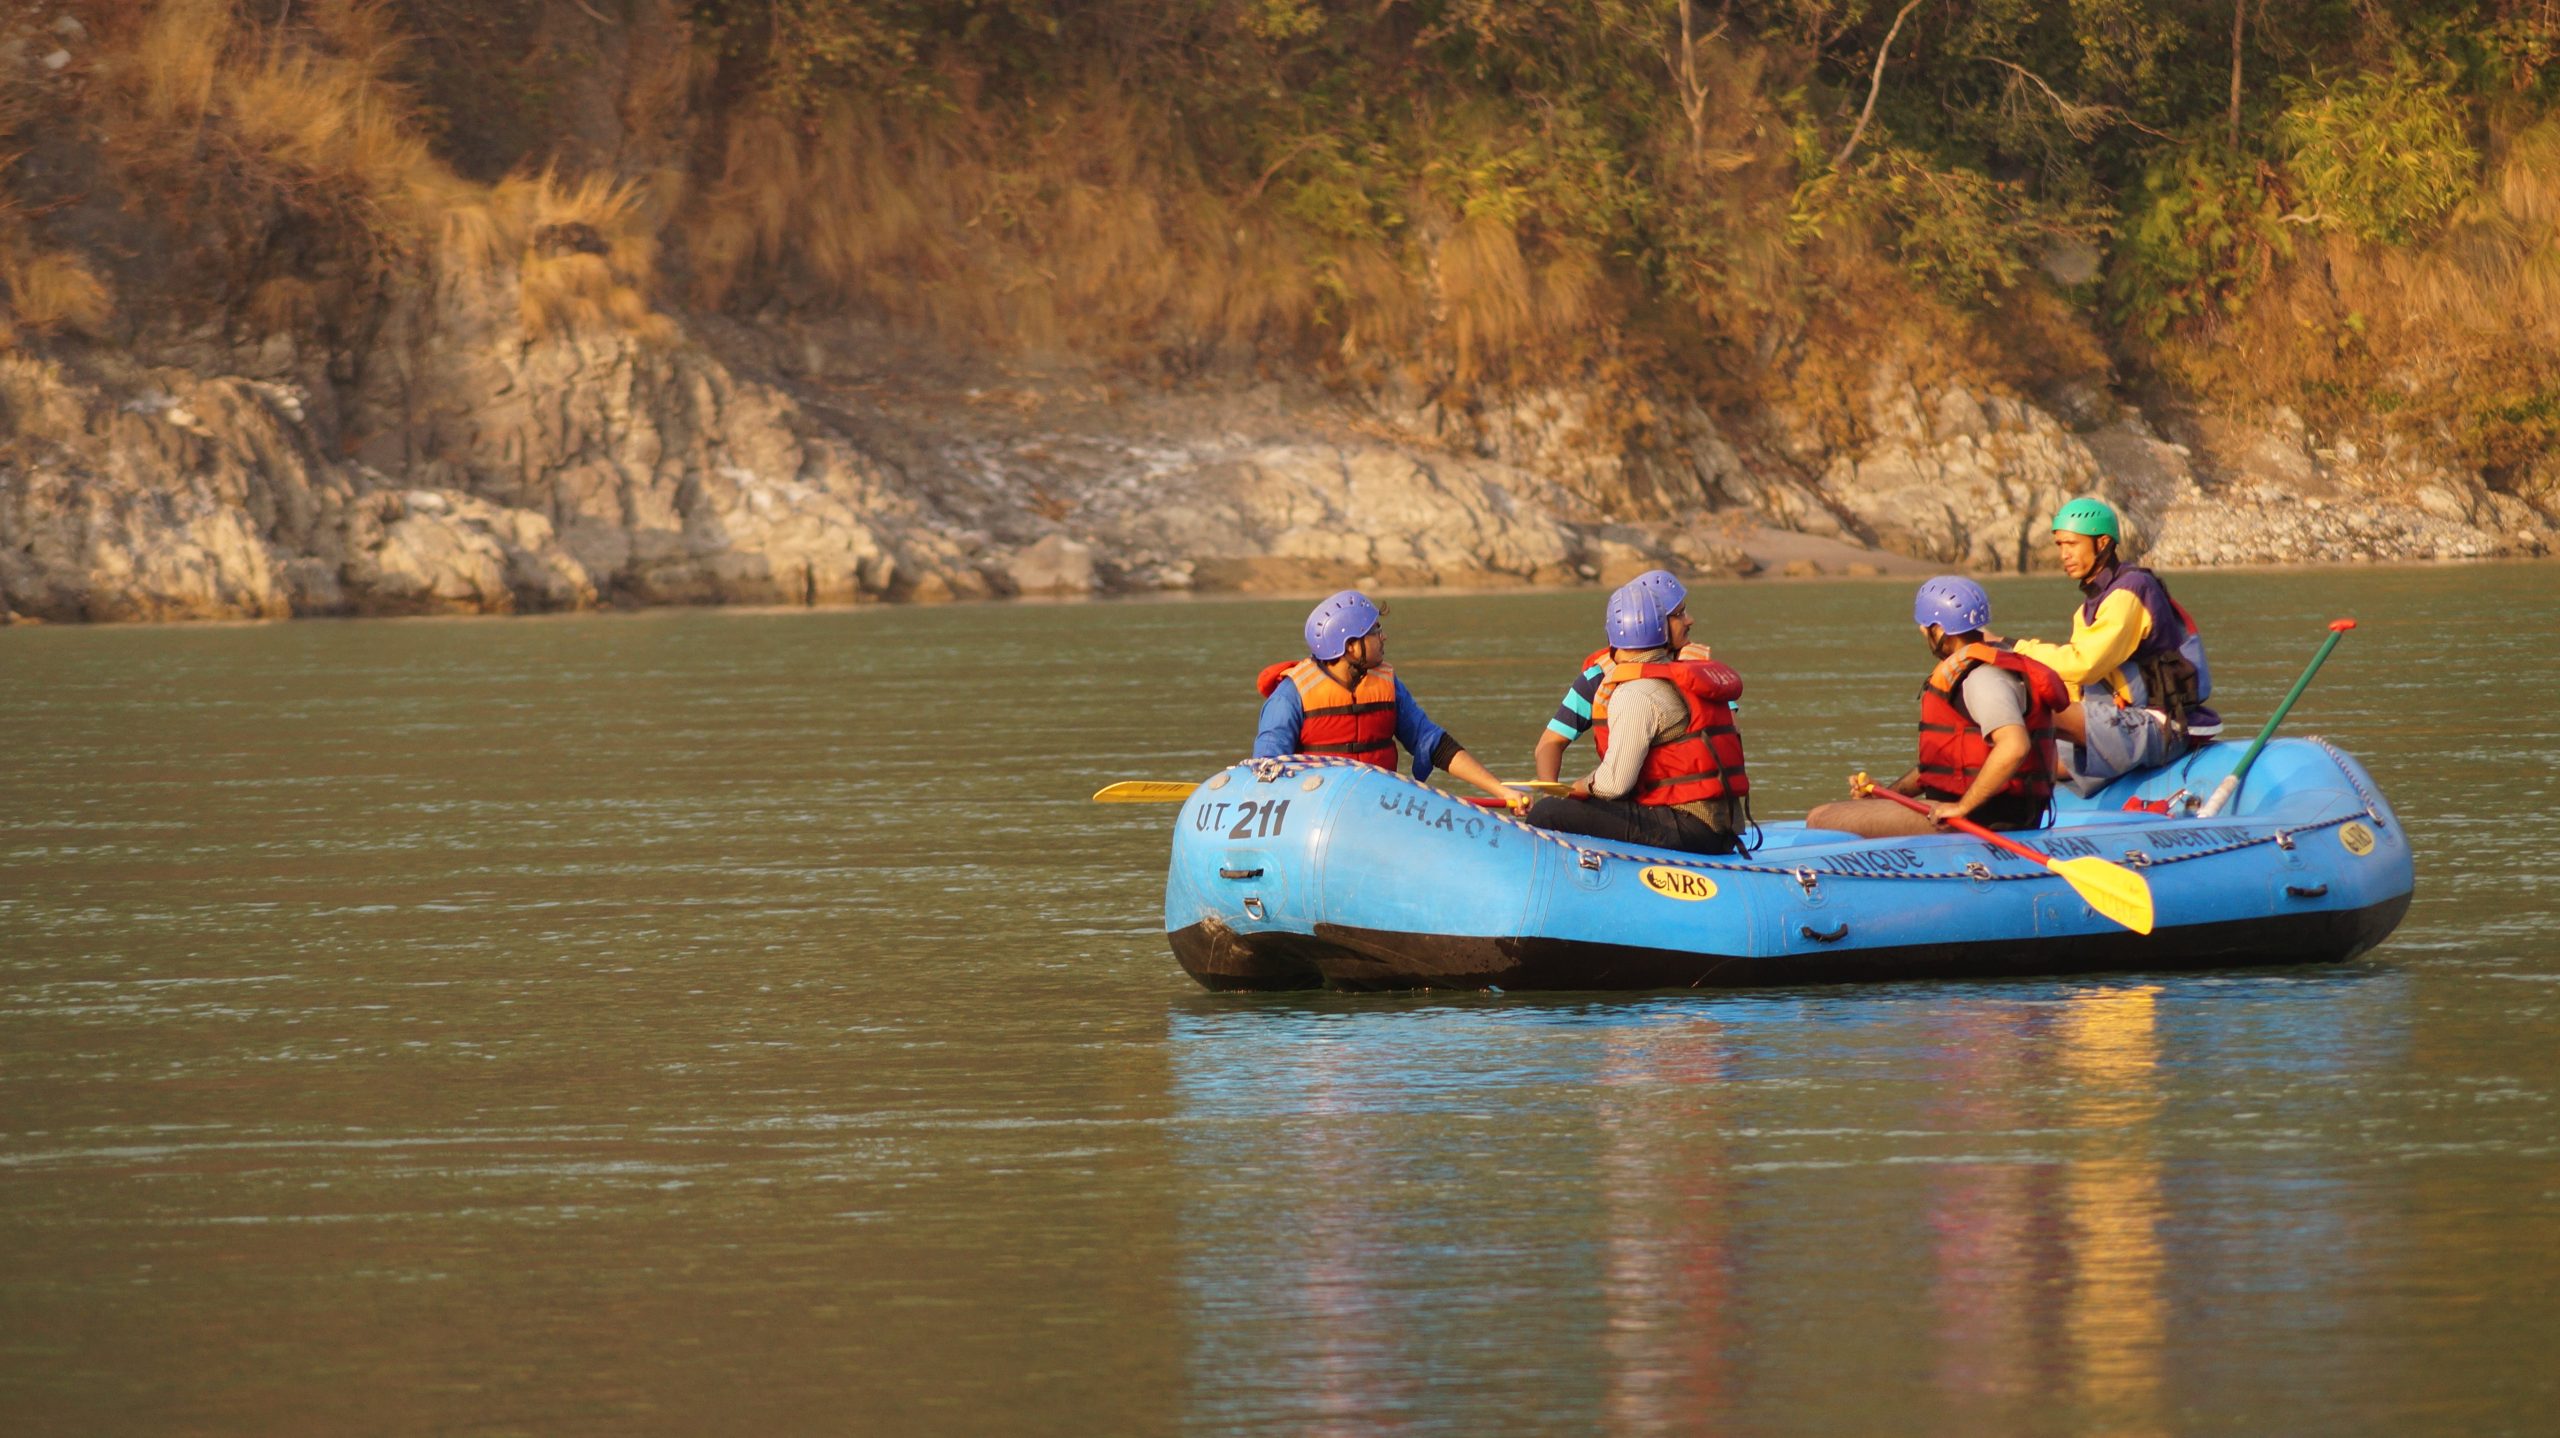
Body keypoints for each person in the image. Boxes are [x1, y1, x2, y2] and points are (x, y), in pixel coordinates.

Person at [1806, 576, 2069, 838]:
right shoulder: (1977, 670)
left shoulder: (1982, 678)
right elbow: (1940, 767)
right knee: (1855, 811)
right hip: (1976, 811)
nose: (1923, 633)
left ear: (1939, 630)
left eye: (1925, 628)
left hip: (1982, 818)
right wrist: (1885, 795)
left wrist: (1962, 807)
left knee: (1820, 818)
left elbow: (2014, 746)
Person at [1990, 497, 2220, 793]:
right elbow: (2076, 682)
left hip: (2158, 724)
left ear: (2101, 543)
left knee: (2028, 716)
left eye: (2072, 544)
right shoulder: (2092, 605)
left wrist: (2012, 648)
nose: (2064, 554)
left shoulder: (2131, 591)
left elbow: (2084, 664)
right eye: (2060, 545)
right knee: (2023, 732)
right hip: (2122, 721)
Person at [1521, 580, 1749, 855]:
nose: (1689, 620)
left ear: (1612, 635)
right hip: (1723, 828)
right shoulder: (1692, 677)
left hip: (1689, 828)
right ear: (1663, 629)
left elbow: (1614, 785)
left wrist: (1575, 789)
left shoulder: (1634, 694)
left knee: (1547, 813)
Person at [1253, 590, 1523, 805]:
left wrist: (1499, 790)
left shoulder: (1387, 684)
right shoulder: (1289, 697)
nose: (1384, 636)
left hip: (1376, 810)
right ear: (1351, 647)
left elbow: (1431, 742)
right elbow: (1265, 774)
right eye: (1375, 631)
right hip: (1316, 814)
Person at [1532, 569, 1713, 783]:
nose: (1690, 620)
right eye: (1679, 614)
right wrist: (1552, 790)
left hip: (1681, 802)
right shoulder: (1597, 679)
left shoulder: (1701, 674)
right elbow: (1550, 743)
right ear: (1654, 621)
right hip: (1635, 799)